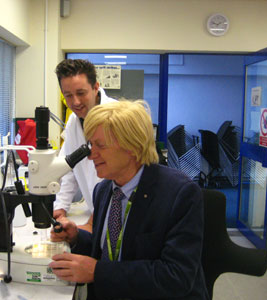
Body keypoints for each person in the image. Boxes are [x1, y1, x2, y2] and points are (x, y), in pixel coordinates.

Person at [49, 100, 208, 300]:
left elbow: (176, 276)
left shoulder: (180, 194)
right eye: (90, 144)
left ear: (132, 146)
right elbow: (107, 250)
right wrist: (76, 237)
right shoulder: (104, 189)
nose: (91, 155)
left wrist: (97, 272)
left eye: (100, 145)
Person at [54, 59, 116, 223]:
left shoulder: (117, 118)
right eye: (68, 95)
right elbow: (69, 167)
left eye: (81, 93)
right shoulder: (74, 121)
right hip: (95, 213)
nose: (75, 102)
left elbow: (124, 176)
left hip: (117, 214)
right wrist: (61, 207)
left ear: (96, 87)